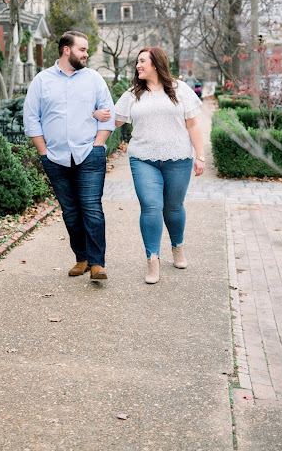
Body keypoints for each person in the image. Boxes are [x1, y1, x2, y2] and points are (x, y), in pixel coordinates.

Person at [94, 47, 204, 285]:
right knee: (151, 207)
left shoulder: (179, 89)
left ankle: (177, 246)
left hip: (178, 158)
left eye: (142, 61)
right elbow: (114, 119)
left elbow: (193, 124)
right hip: (143, 158)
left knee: (173, 207)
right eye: (137, 62)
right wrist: (95, 117)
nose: (138, 65)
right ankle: (152, 260)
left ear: (156, 63)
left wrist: (200, 156)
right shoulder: (133, 94)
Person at [23, 31, 115, 281]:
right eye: (82, 50)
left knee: (92, 209)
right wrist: (43, 153)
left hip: (89, 153)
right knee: (71, 211)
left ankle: (97, 264)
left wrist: (98, 146)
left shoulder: (94, 79)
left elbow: (109, 114)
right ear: (66, 50)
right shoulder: (42, 81)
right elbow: (31, 119)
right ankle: (81, 258)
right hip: (55, 157)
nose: (86, 54)